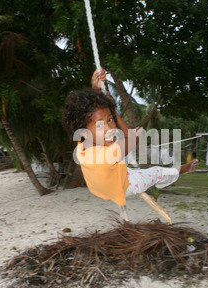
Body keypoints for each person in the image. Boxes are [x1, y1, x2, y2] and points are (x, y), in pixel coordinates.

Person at [62, 69, 199, 207]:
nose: (109, 130)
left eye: (110, 120)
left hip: (103, 184)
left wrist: (96, 90)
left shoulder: (82, 142)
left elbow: (92, 113)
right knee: (157, 172)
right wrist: (126, 125)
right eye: (99, 126)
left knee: (129, 165)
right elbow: (132, 138)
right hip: (124, 186)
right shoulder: (108, 154)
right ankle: (182, 169)